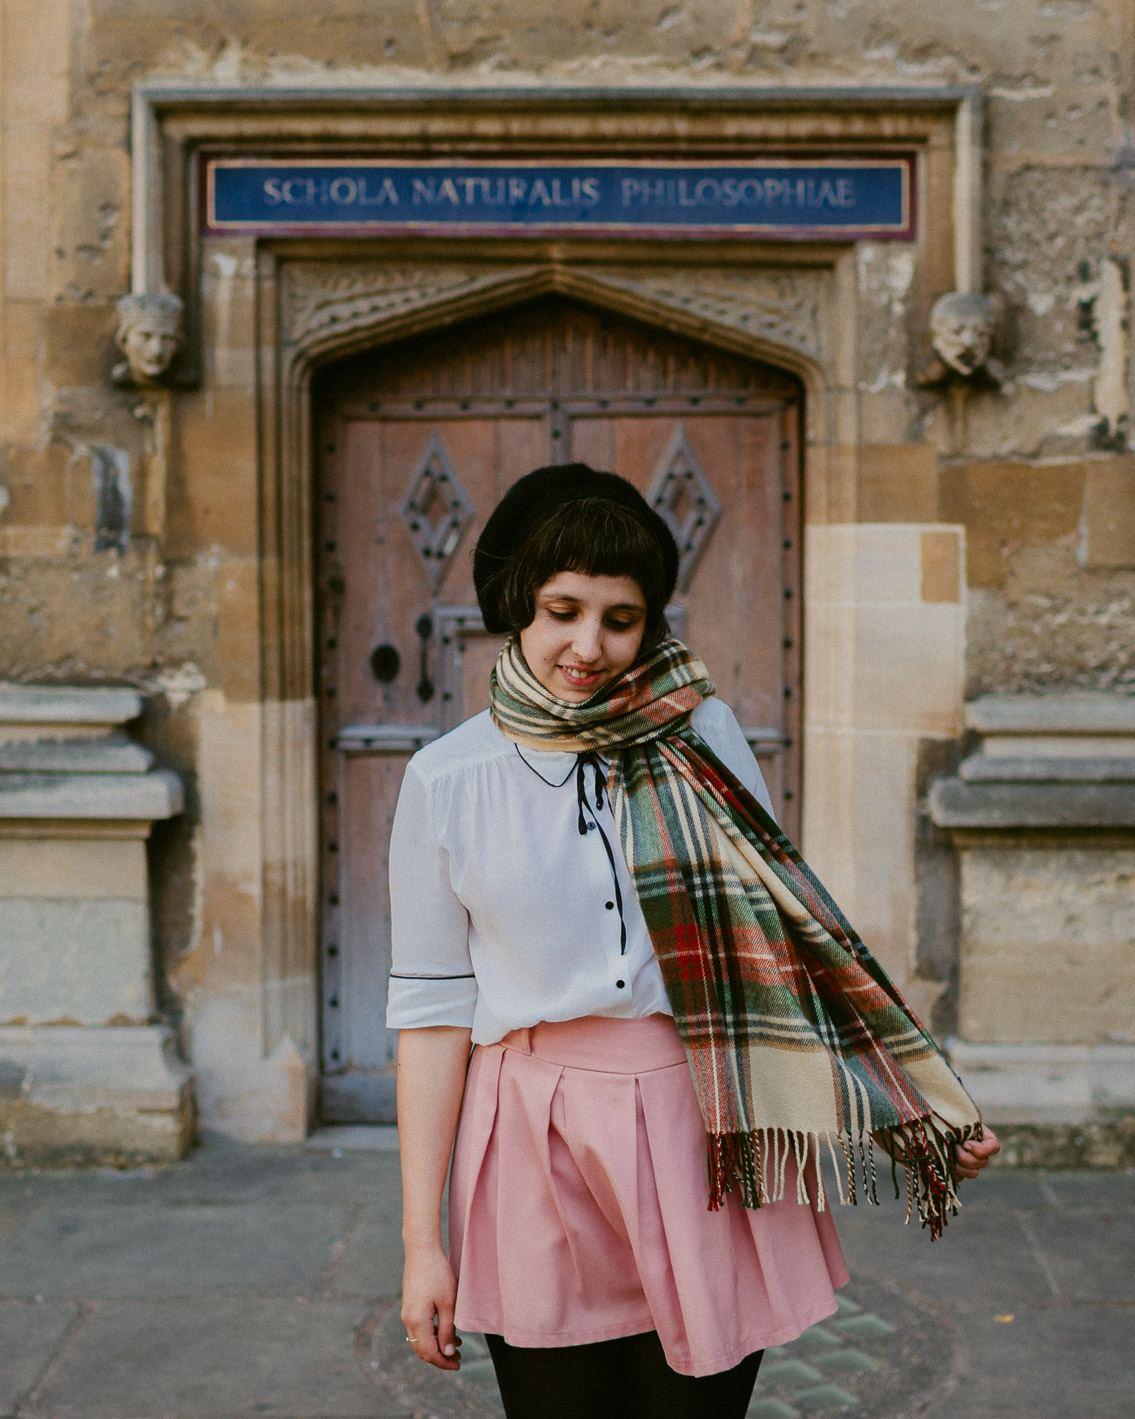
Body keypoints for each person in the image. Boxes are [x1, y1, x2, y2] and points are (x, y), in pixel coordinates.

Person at [388, 464, 1000, 1419]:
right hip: (529, 1143)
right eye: (562, 609)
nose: (587, 645)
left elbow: (785, 943)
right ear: (516, 604)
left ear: (649, 624)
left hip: (697, 1123)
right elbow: (430, 1018)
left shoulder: (701, 731)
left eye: (619, 618)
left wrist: (912, 1101)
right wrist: (422, 1244)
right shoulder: (446, 779)